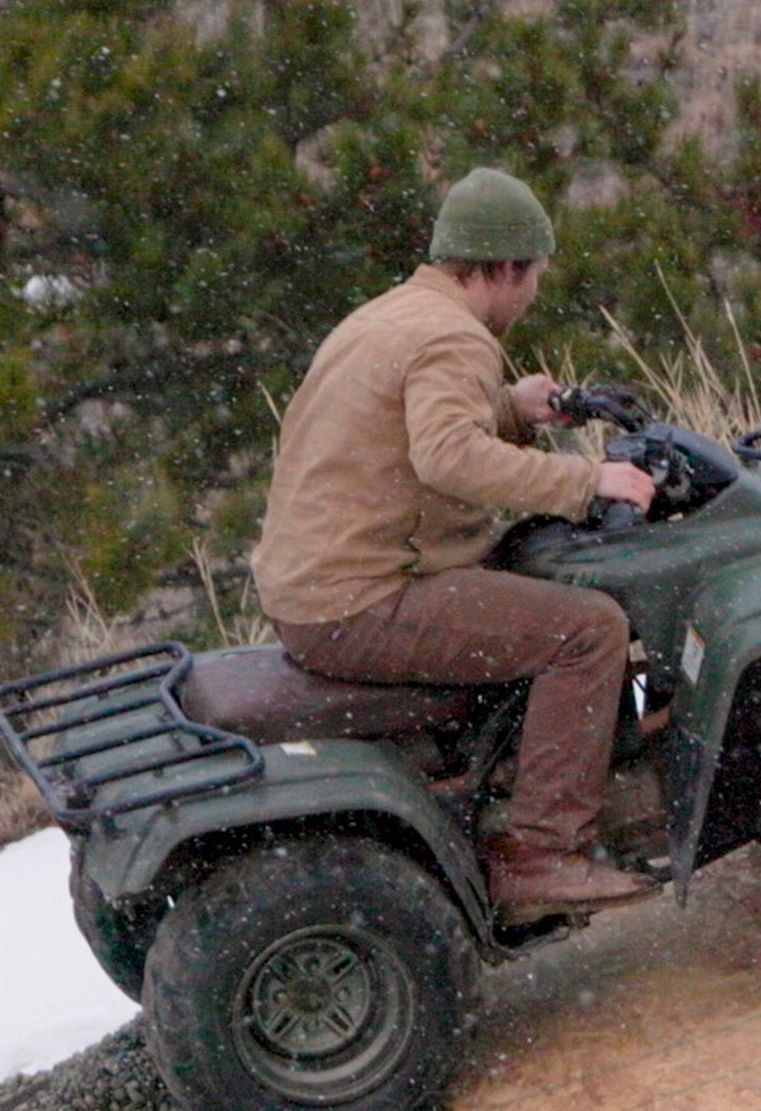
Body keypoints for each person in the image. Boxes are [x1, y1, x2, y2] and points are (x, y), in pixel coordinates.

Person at [254, 170, 665, 922]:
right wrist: (588, 481)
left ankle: (543, 780)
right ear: (505, 268)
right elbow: (446, 458)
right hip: (362, 598)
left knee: (527, 591)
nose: (534, 292)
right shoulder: (454, 336)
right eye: (535, 275)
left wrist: (510, 407)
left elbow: (402, 434)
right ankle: (539, 855)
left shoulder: (394, 315)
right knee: (588, 628)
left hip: (312, 585)